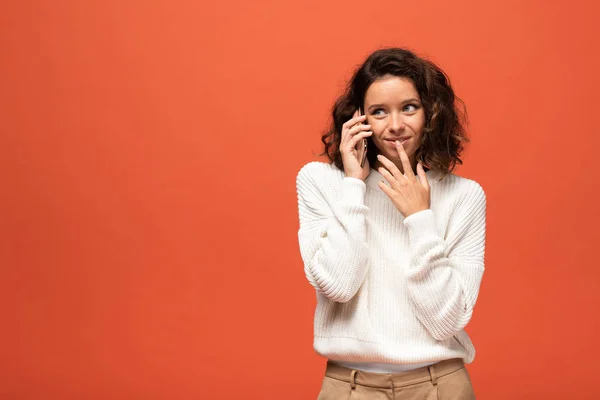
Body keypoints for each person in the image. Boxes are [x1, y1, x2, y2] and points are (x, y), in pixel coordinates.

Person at [295, 47, 487, 399]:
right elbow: (338, 286)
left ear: (431, 112)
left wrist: (420, 219)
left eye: (409, 108)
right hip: (349, 387)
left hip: (439, 386)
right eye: (379, 111)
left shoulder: (464, 196)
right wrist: (354, 185)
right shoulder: (322, 182)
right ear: (358, 118)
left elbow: (446, 322)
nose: (395, 125)